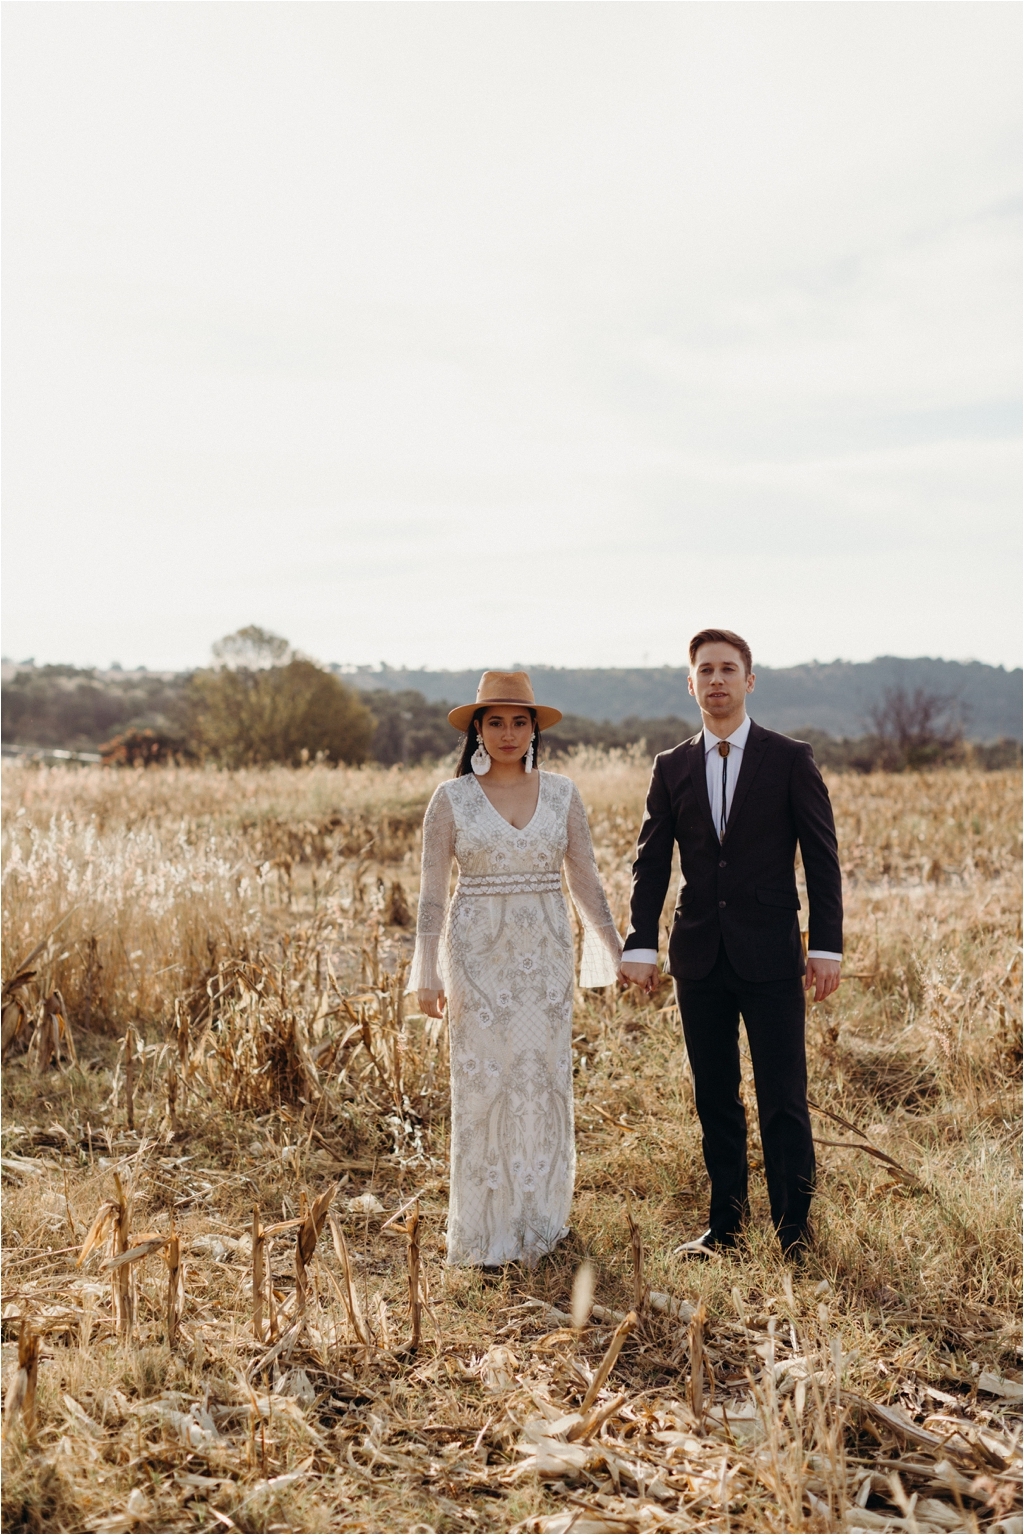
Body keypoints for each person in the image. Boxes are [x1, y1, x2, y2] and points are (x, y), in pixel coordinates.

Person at [619, 629, 843, 1257]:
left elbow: (822, 862)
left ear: (749, 680)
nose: (716, 681)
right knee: (714, 1096)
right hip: (699, 956)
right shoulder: (672, 766)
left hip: (772, 953)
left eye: (728, 669)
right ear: (690, 685)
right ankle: (726, 1229)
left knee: (782, 1099)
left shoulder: (790, 758)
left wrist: (826, 945)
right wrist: (641, 942)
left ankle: (795, 1235)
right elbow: (651, 863)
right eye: (705, 671)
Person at [410, 671, 622, 1268]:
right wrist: (426, 970)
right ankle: (483, 1235)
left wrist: (615, 948)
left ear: (534, 729)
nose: (508, 732)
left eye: (519, 721)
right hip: (476, 960)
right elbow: (431, 893)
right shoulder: (448, 800)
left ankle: (540, 1225)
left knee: (541, 1084)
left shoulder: (562, 793)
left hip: (547, 962)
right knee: (485, 1088)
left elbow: (585, 880)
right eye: (495, 721)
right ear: (477, 728)